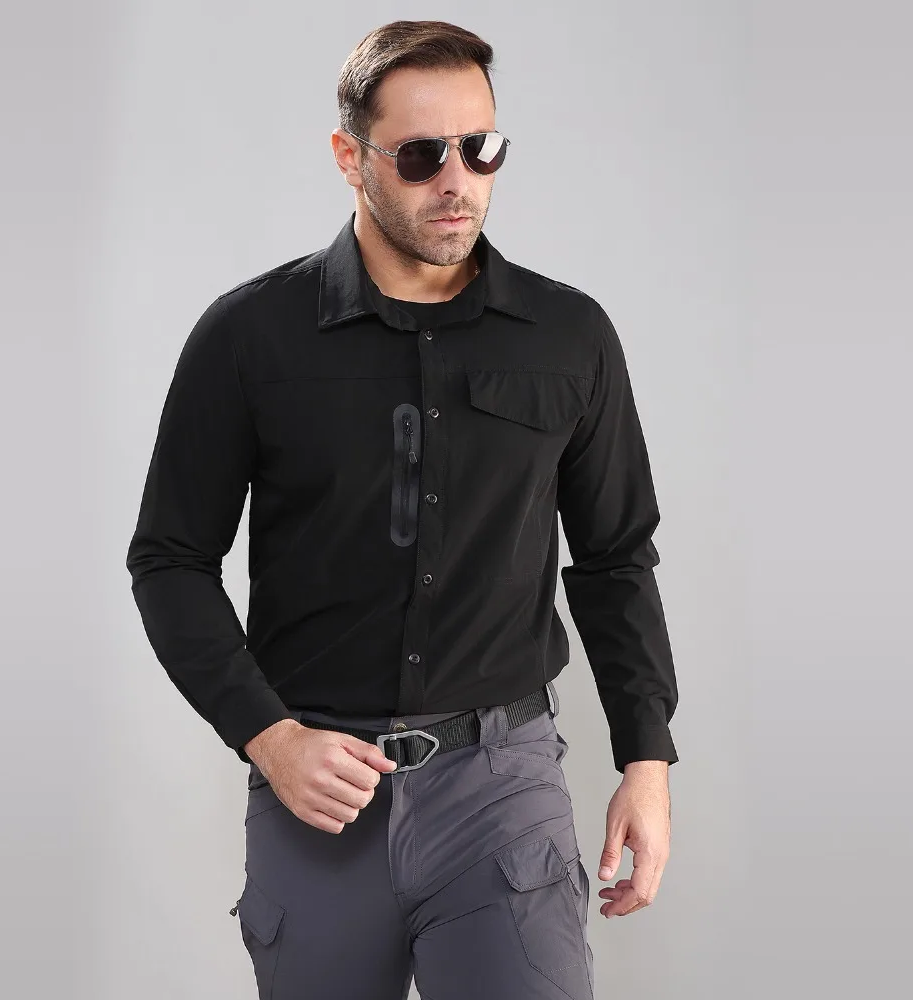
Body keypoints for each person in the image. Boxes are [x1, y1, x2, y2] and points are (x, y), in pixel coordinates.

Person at [126, 18, 678, 1000]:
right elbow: (169, 559)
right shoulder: (250, 336)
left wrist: (646, 759)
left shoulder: (568, 336)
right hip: (321, 792)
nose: (456, 180)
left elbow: (614, 559)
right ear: (352, 158)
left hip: (501, 788)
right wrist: (268, 737)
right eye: (421, 155)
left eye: (481, 147)